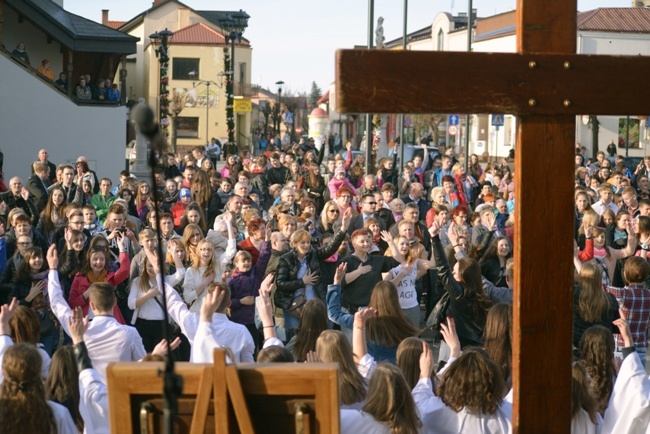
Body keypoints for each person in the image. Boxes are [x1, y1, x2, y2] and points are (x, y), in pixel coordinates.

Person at [275, 210, 351, 328]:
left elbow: (330, 248)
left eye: (308, 242)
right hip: (293, 306)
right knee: (296, 338)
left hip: (314, 303)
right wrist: (302, 282)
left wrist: (343, 229)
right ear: (294, 244)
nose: (306, 245)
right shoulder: (285, 259)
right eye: (302, 243)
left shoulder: (313, 254)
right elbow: (280, 283)